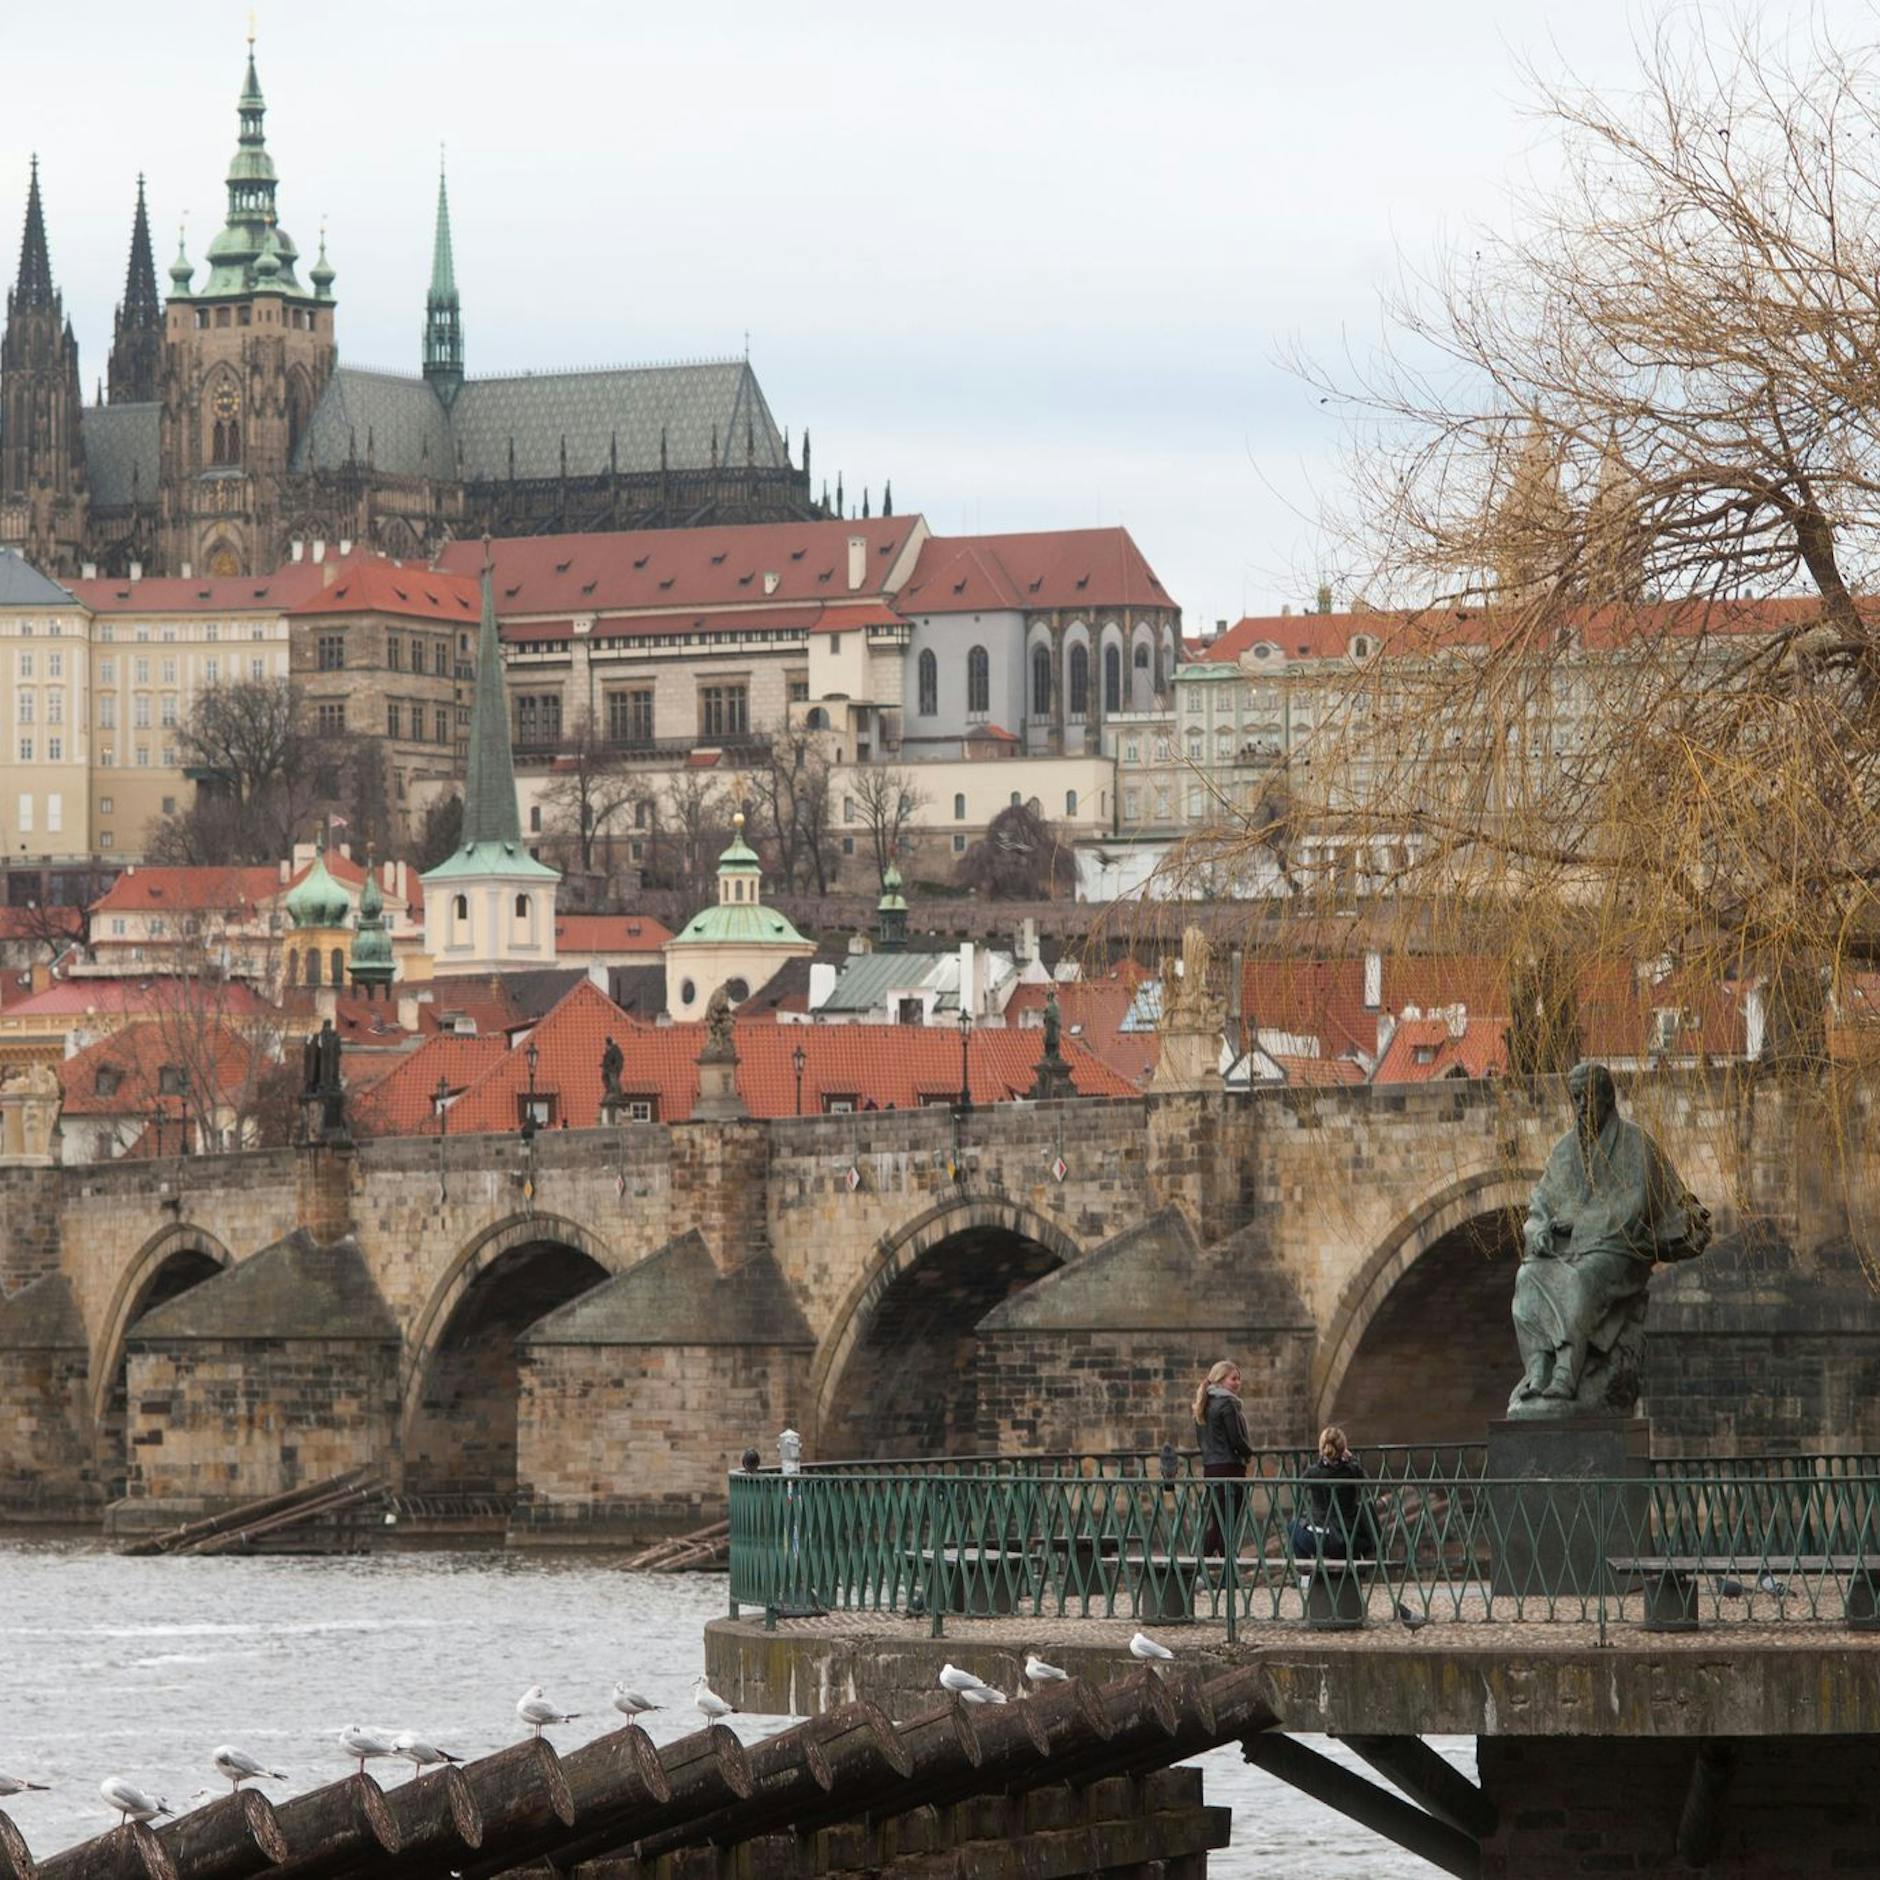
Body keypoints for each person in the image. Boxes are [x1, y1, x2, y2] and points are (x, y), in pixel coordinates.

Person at [1290, 1426, 1378, 1562]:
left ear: (1322, 1448)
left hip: (1326, 1539)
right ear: (1343, 1449)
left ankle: (1306, 1572)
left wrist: (1320, 1461)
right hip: (1352, 1538)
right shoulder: (1352, 1470)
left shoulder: (1314, 1472)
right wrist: (1352, 1459)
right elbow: (1365, 1480)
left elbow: (1301, 1483)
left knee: (1292, 1528)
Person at [1194, 1360, 1253, 1557]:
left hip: (1211, 1468)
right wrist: (1248, 1453)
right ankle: (1211, 1569)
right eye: (1233, 1379)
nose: (1238, 1383)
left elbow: (1201, 1441)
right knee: (1228, 1524)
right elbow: (1236, 1439)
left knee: (1219, 1521)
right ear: (1220, 1380)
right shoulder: (1227, 1404)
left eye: (1239, 1379)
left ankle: (1205, 1570)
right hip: (1230, 1468)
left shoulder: (1204, 1404)